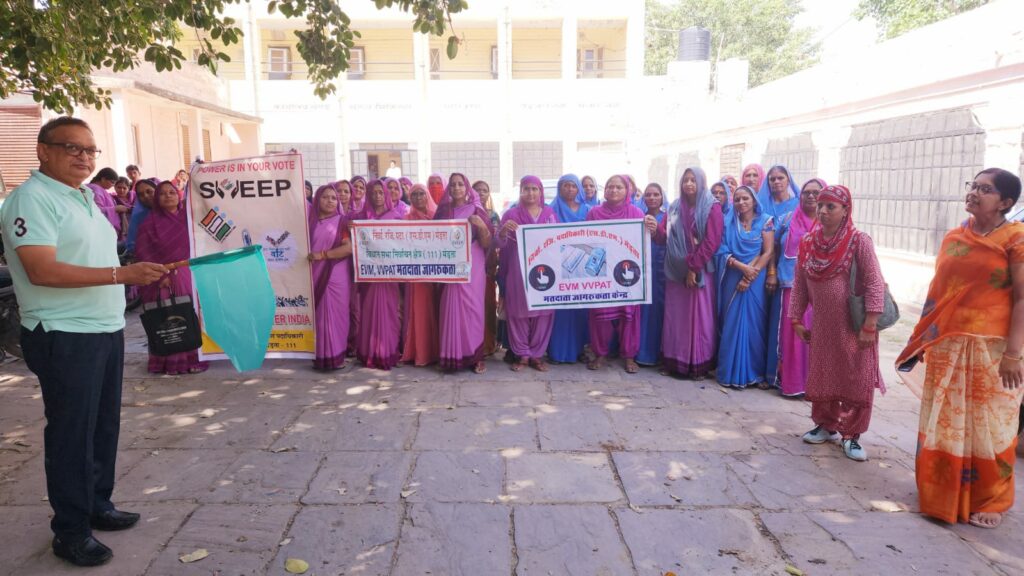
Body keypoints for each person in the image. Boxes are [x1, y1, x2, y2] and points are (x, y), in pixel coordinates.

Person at [0, 117, 166, 566]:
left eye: (91, 150)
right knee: (71, 434)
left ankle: (97, 504)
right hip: (63, 332)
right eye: (72, 147)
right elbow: (41, 270)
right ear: (43, 150)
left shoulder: (86, 196)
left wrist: (133, 273)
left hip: (104, 327)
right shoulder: (31, 199)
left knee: (102, 426)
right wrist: (121, 275)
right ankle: (70, 531)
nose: (84, 157)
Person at [897, 169, 1024, 527]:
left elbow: (1022, 299)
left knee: (992, 425)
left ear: (1005, 202)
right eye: (973, 186)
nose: (974, 193)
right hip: (948, 346)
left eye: (985, 189)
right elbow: (938, 292)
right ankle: (941, 489)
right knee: (946, 422)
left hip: (994, 352)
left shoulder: (1016, 239)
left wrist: (1014, 354)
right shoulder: (955, 237)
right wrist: (925, 337)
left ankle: (991, 498)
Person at [791, 184, 885, 462]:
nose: (822, 211)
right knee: (823, 374)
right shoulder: (808, 242)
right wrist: (796, 318)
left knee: (856, 377)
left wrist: (870, 325)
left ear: (845, 210)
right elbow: (799, 284)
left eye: (830, 206)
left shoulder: (859, 241)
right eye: (820, 205)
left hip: (854, 328)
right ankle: (826, 425)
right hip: (822, 326)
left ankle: (852, 435)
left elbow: (875, 283)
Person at [654, 168, 724, 379]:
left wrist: (693, 269)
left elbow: (711, 241)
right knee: (676, 318)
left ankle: (697, 365)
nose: (689, 184)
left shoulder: (711, 207)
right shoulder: (675, 207)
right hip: (676, 272)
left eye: (693, 180)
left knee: (699, 318)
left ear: (701, 182)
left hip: (699, 270)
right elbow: (664, 237)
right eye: (686, 180)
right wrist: (654, 228)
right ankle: (675, 362)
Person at [134, 181, 210, 375]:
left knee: (190, 317)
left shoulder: (190, 219)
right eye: (162, 193)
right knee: (167, 319)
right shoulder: (149, 224)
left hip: (187, 275)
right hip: (161, 278)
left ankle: (193, 359)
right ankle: (170, 363)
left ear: (179, 195)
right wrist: (161, 275)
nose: (168, 196)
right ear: (156, 199)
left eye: (172, 192)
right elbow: (143, 252)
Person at [586, 175, 656, 374]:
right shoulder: (594, 213)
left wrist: (651, 228)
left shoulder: (635, 213)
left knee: (629, 316)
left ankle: (629, 356)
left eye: (618, 187)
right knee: (600, 315)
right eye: (610, 186)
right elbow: (587, 239)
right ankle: (600, 353)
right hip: (602, 273)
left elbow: (643, 242)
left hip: (627, 273)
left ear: (627, 191)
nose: (614, 190)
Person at [435, 172, 493, 373]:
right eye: (453, 185)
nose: (457, 188)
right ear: (449, 189)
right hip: (449, 266)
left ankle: (476, 357)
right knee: (449, 308)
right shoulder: (443, 211)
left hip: (473, 265)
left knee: (473, 309)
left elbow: (487, 243)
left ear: (467, 188)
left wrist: (481, 226)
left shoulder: (476, 210)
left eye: (460, 184)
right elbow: (430, 238)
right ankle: (452, 356)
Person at [716, 185, 774, 388]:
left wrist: (749, 277)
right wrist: (742, 268)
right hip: (733, 276)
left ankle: (755, 373)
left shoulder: (766, 221)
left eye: (745, 198)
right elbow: (721, 249)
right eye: (737, 199)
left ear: (754, 200)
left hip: (756, 278)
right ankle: (729, 372)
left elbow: (768, 252)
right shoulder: (728, 222)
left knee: (755, 324)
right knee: (731, 323)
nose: (741, 203)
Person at [498, 176, 557, 371]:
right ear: (521, 191)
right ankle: (522, 355)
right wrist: (503, 232)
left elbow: (558, 241)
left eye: (534, 189)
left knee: (543, 311)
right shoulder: (511, 214)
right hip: (518, 270)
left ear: (540, 191)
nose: (530, 193)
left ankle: (537, 355)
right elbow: (499, 244)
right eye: (526, 189)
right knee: (518, 311)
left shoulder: (549, 214)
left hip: (545, 269)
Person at [775, 178, 825, 397]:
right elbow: (773, 247)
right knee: (793, 333)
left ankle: (815, 384)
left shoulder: (831, 222)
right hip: (791, 284)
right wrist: (771, 273)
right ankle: (793, 383)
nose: (811, 196)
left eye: (816, 192)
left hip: (821, 288)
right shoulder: (787, 219)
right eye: (806, 192)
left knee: (818, 333)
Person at [353, 179, 403, 370]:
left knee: (389, 312)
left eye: (381, 192)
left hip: (389, 274)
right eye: (373, 193)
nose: (377, 196)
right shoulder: (361, 217)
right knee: (368, 310)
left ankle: (387, 351)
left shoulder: (396, 217)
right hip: (369, 274)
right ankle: (369, 352)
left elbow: (402, 245)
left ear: (386, 194)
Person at [760, 165, 801, 388]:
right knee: (761, 320)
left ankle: (782, 374)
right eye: (772, 179)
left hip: (787, 273)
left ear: (788, 180)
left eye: (780, 178)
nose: (776, 182)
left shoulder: (798, 206)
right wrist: (770, 271)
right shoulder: (762, 205)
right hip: (760, 268)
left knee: (780, 323)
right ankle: (762, 370)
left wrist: (775, 272)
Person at [306, 183, 353, 370]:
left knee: (336, 316)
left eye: (334, 198)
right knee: (318, 316)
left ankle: (336, 357)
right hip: (314, 274)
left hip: (335, 276)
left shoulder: (342, 222)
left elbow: (348, 248)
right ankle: (320, 357)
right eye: (325, 197)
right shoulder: (309, 223)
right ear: (317, 199)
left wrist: (323, 255)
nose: (330, 201)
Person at [548, 173, 591, 364]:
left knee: (580, 309)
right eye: (566, 185)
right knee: (560, 310)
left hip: (582, 266)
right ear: (560, 188)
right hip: (559, 266)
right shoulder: (551, 210)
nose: (570, 189)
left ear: (578, 189)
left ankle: (579, 350)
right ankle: (556, 352)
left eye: (573, 186)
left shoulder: (588, 210)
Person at [401, 183, 440, 366]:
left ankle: (436, 351)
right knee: (417, 310)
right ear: (410, 198)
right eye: (414, 195)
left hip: (436, 273)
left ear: (427, 196)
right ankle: (419, 352)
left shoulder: (437, 217)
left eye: (421, 194)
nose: (418, 198)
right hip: (415, 273)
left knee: (436, 309)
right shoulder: (406, 219)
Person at [637, 182, 667, 366]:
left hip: (662, 270)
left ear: (662, 197)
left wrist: (658, 230)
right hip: (641, 270)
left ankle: (659, 353)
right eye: (648, 194)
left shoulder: (669, 216)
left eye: (656, 194)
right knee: (642, 311)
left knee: (660, 310)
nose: (652, 198)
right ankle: (640, 351)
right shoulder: (637, 216)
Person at [473, 179, 502, 356]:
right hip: (470, 267)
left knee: (489, 304)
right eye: (477, 190)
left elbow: (497, 241)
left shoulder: (493, 216)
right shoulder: (467, 213)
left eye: (485, 190)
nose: (481, 193)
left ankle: (489, 343)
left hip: (488, 265)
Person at [87, 168, 127, 239]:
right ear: (103, 179)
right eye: (112, 182)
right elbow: (96, 211)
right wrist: (115, 209)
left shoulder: (90, 188)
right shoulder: (96, 190)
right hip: (102, 230)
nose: (112, 185)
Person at [125, 178, 157, 253]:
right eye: (141, 195)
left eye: (149, 191)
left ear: (158, 191)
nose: (146, 196)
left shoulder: (171, 211)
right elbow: (131, 244)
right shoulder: (138, 217)